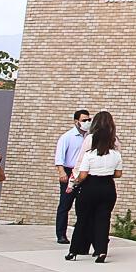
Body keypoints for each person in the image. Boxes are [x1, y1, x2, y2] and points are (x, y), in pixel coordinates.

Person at [66, 111, 120, 262]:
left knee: (83, 218)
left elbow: (80, 163)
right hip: (108, 185)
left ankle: (75, 249)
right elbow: (118, 172)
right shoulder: (115, 141)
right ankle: (101, 250)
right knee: (103, 219)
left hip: (90, 184)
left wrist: (73, 181)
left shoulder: (89, 140)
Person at [54, 109, 90, 244]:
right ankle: (61, 234)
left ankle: (81, 232)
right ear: (76, 122)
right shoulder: (67, 137)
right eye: (84, 120)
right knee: (65, 203)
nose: (87, 123)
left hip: (84, 171)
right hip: (70, 171)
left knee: (83, 203)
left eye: (88, 120)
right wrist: (62, 172)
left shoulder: (89, 137)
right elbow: (59, 157)